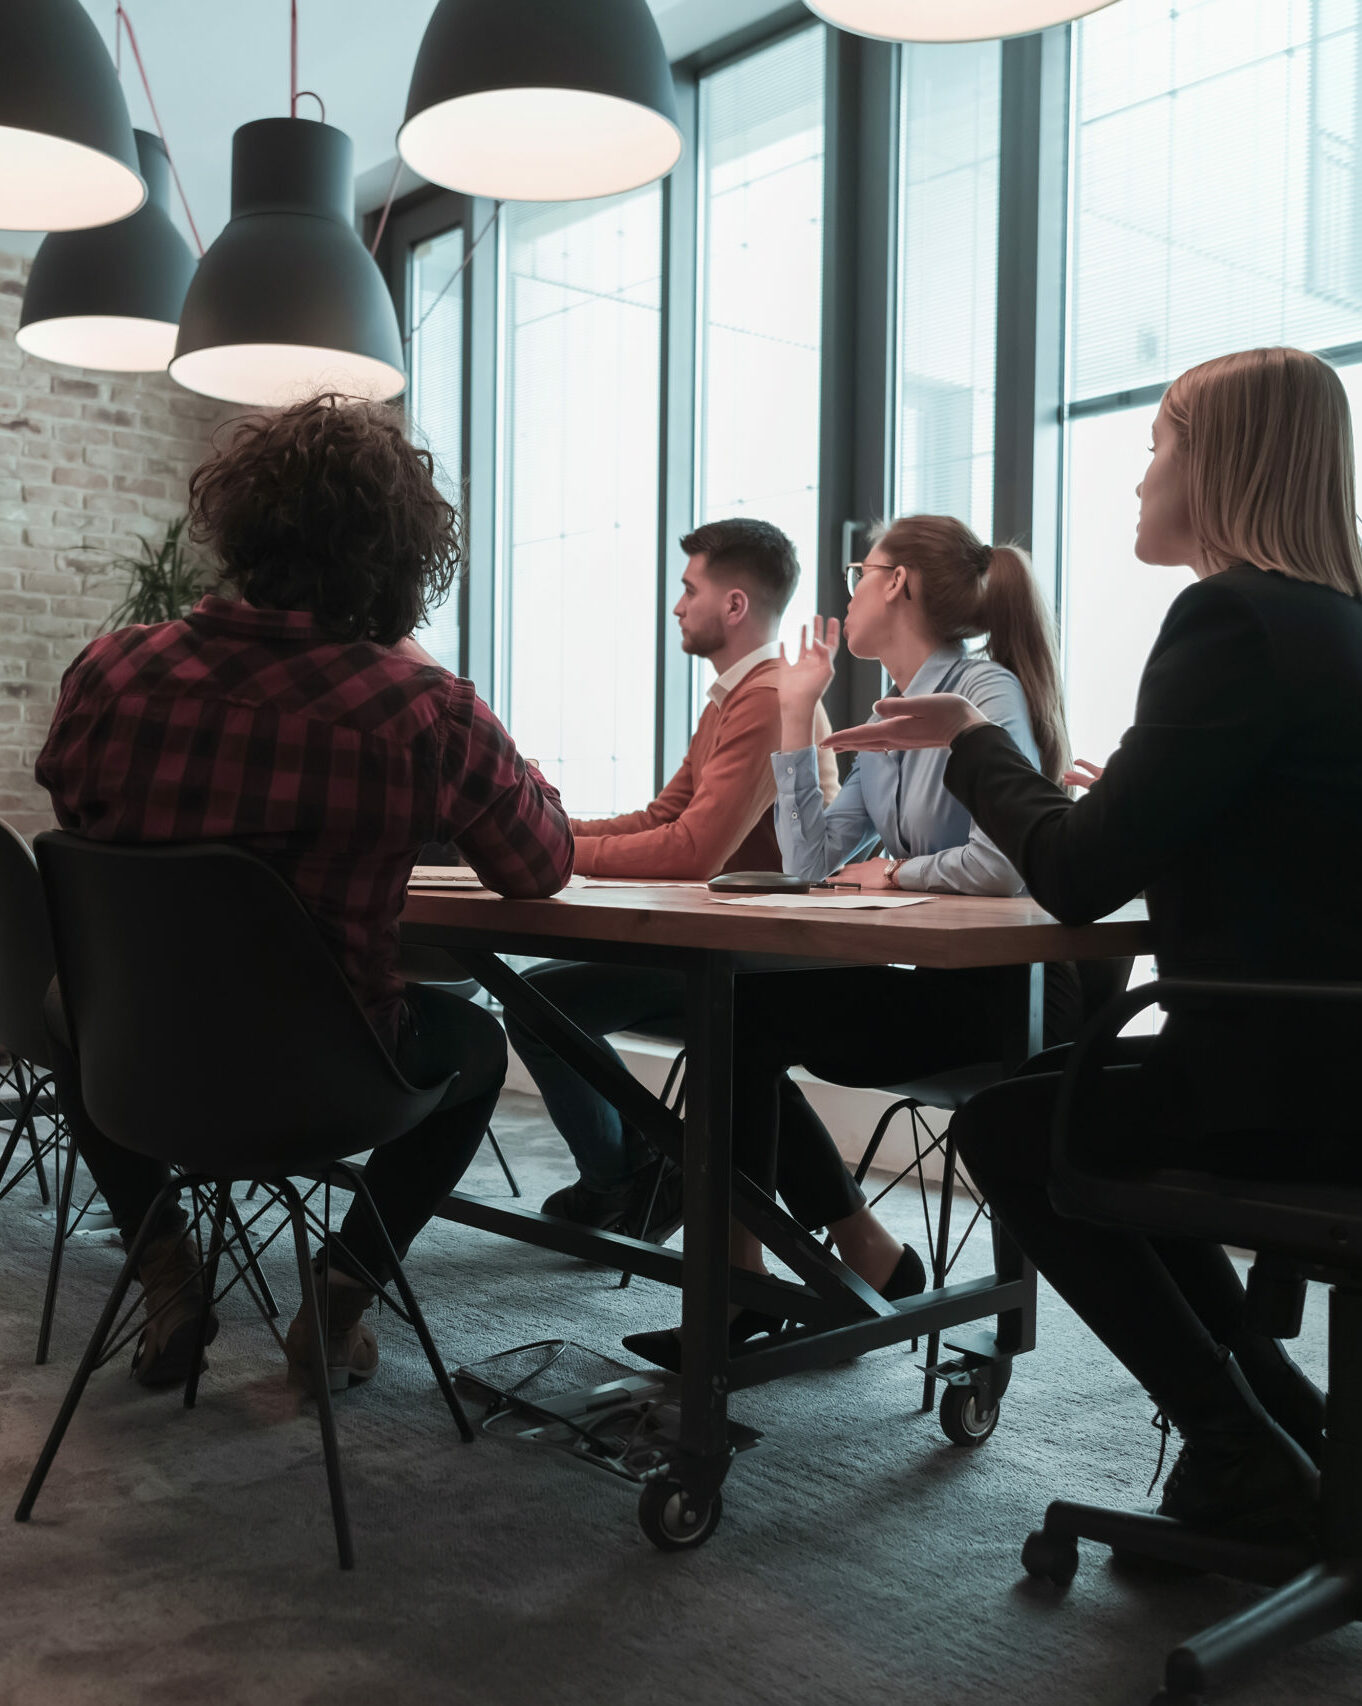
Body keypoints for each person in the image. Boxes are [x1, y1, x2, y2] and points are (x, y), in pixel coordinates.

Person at [820, 345, 1362, 1544]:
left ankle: (1238, 1443)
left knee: (1016, 1123)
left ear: (1218, 463)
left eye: (1157, 444)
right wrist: (1134, 798)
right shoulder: (1332, 627)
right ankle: (1280, 1418)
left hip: (1279, 1082)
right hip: (1329, 1065)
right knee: (1072, 1104)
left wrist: (968, 738)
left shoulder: (1227, 618)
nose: (1138, 477)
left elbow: (1067, 876)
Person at [36, 394, 573, 1394]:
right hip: (329, 1078)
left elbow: (77, 809)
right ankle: (339, 1289)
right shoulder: (423, 710)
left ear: (237, 525)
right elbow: (539, 865)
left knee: (71, 1007)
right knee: (475, 1045)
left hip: (141, 1061)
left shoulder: (107, 674)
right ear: (402, 557)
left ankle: (165, 1271)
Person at [623, 512, 1077, 1369]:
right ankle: (762, 1279)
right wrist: (798, 716)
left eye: (858, 573)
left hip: (1006, 1000)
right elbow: (813, 862)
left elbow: (1004, 864)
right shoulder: (890, 721)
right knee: (738, 1013)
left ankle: (748, 1291)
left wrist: (897, 874)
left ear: (896, 584)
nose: (848, 591)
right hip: (938, 985)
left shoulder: (985, 696)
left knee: (744, 1020)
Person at [504, 519, 838, 1234]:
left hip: (764, 959)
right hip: (723, 942)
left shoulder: (766, 695)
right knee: (539, 1001)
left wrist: (555, 854)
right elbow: (665, 814)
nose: (678, 605)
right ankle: (638, 1176)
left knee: (538, 1005)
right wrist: (549, 827)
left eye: (690, 589)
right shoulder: (731, 696)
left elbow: (690, 852)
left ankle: (623, 1180)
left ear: (736, 605)